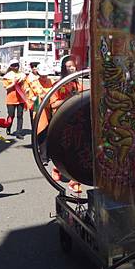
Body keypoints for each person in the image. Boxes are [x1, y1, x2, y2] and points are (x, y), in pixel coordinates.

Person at [49, 55, 84, 193]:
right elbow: (53, 105)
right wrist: (69, 99)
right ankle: (57, 168)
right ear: (63, 68)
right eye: (68, 66)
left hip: (77, 122)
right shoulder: (58, 85)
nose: (71, 68)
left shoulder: (78, 84)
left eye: (73, 66)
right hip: (62, 121)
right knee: (65, 149)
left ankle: (74, 180)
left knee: (77, 149)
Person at [2, 58, 27, 139]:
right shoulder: (7, 76)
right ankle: (8, 127)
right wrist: (13, 83)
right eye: (14, 65)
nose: (16, 67)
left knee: (20, 116)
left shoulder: (22, 75)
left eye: (17, 65)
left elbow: (25, 85)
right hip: (11, 99)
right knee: (11, 115)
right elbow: (6, 87)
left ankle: (19, 132)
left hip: (20, 98)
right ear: (11, 67)